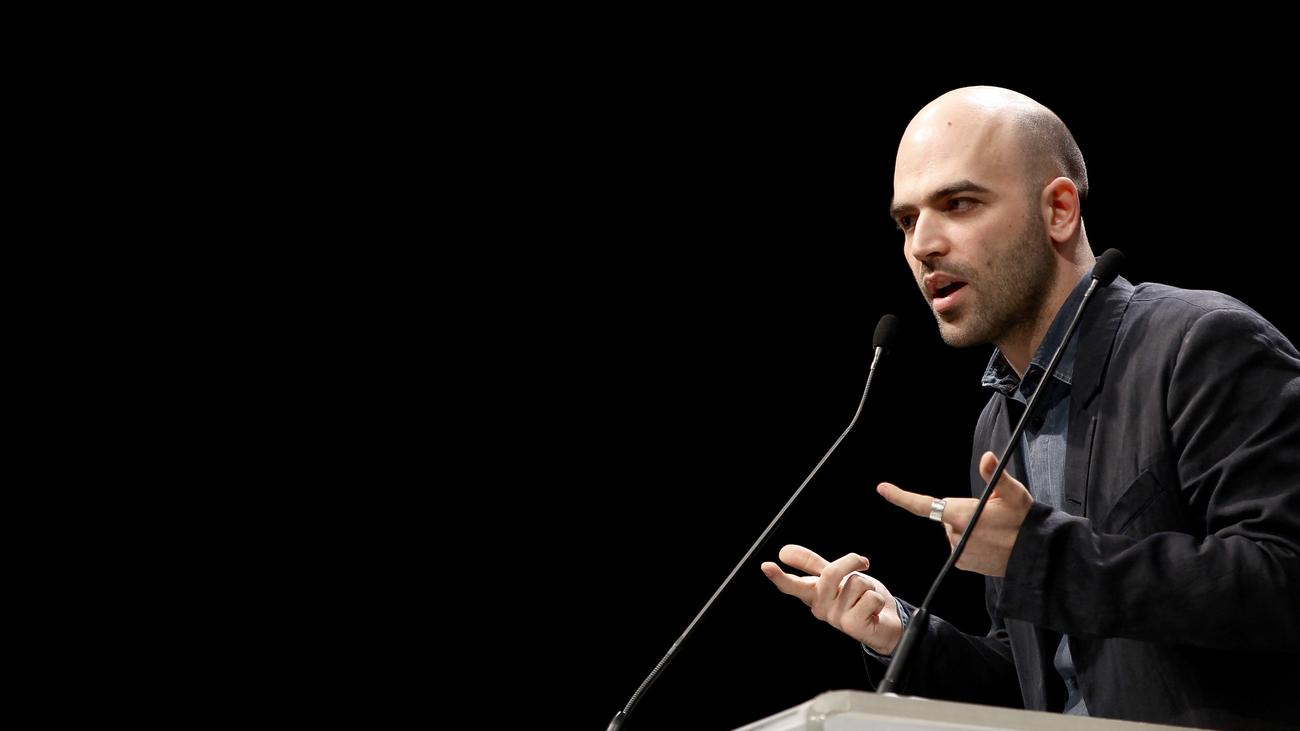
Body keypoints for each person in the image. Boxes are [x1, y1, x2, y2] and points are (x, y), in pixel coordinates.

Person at [761, 86, 1300, 730]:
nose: (922, 244)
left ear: (1059, 210)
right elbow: (1039, 690)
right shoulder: (1000, 423)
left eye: (958, 204)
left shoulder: (1199, 345)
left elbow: (1283, 577)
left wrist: (1045, 557)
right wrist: (902, 633)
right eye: (906, 221)